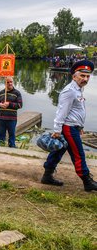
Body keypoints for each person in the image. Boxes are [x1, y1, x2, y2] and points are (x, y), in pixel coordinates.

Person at [41, 60, 97, 192]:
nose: (85, 79)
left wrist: (80, 126)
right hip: (68, 128)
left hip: (73, 126)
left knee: (58, 151)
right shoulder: (70, 91)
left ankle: (47, 176)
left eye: (87, 76)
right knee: (78, 154)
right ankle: (87, 181)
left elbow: (76, 110)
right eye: (82, 76)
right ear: (74, 76)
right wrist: (57, 130)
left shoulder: (78, 89)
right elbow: (61, 111)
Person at [0, 77, 23, 147]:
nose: (10, 83)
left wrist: (9, 104)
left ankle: (12, 148)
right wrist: (0, 105)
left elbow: (20, 105)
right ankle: (0, 148)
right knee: (1, 135)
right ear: (5, 83)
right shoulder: (1, 93)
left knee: (12, 135)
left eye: (11, 82)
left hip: (12, 119)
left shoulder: (17, 93)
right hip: (2, 118)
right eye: (8, 82)